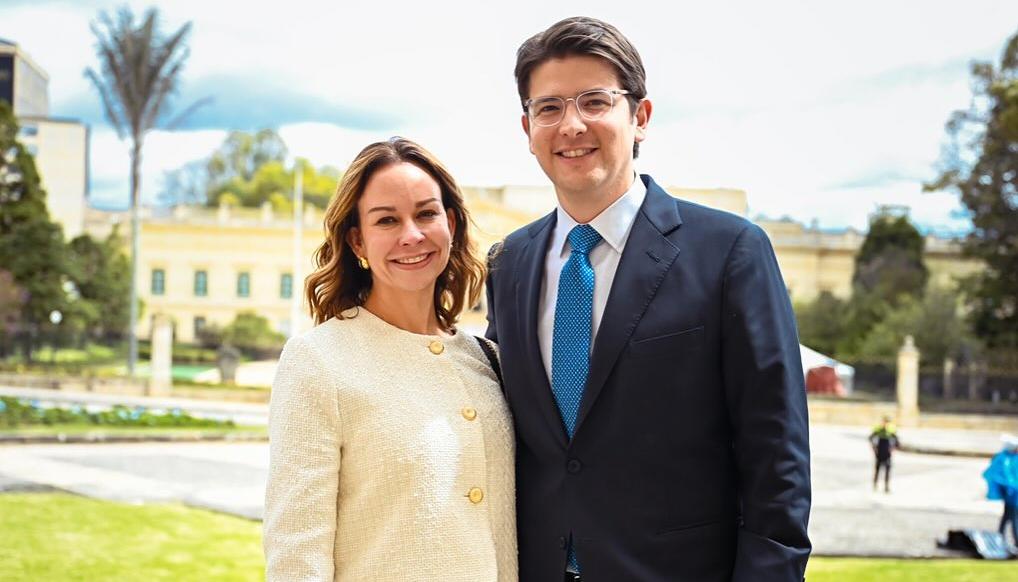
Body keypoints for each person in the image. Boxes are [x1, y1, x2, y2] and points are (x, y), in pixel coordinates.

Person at [485, 16, 811, 581]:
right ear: (527, 127)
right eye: (549, 107)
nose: (572, 125)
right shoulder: (509, 262)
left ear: (640, 117)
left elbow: (775, 455)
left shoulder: (731, 252)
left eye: (595, 101)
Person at [263, 137, 516, 581]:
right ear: (358, 240)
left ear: (451, 223)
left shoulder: (489, 360)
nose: (411, 235)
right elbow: (296, 552)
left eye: (426, 213)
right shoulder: (318, 361)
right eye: (387, 220)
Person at [984, 435, 1018, 547]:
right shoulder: (1004, 459)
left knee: (1008, 516)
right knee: (1013, 517)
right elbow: (1003, 477)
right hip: (1011, 494)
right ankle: (1015, 540)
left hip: (1013, 493)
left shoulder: (1012, 458)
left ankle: (1000, 536)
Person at [869, 416, 899, 492]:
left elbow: (897, 441)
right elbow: (871, 437)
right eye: (885, 421)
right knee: (877, 469)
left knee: (887, 470)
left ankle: (886, 486)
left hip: (887, 452)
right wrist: (874, 448)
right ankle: (875, 485)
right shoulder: (878, 429)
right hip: (879, 451)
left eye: (887, 422)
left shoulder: (891, 429)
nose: (886, 423)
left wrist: (892, 449)